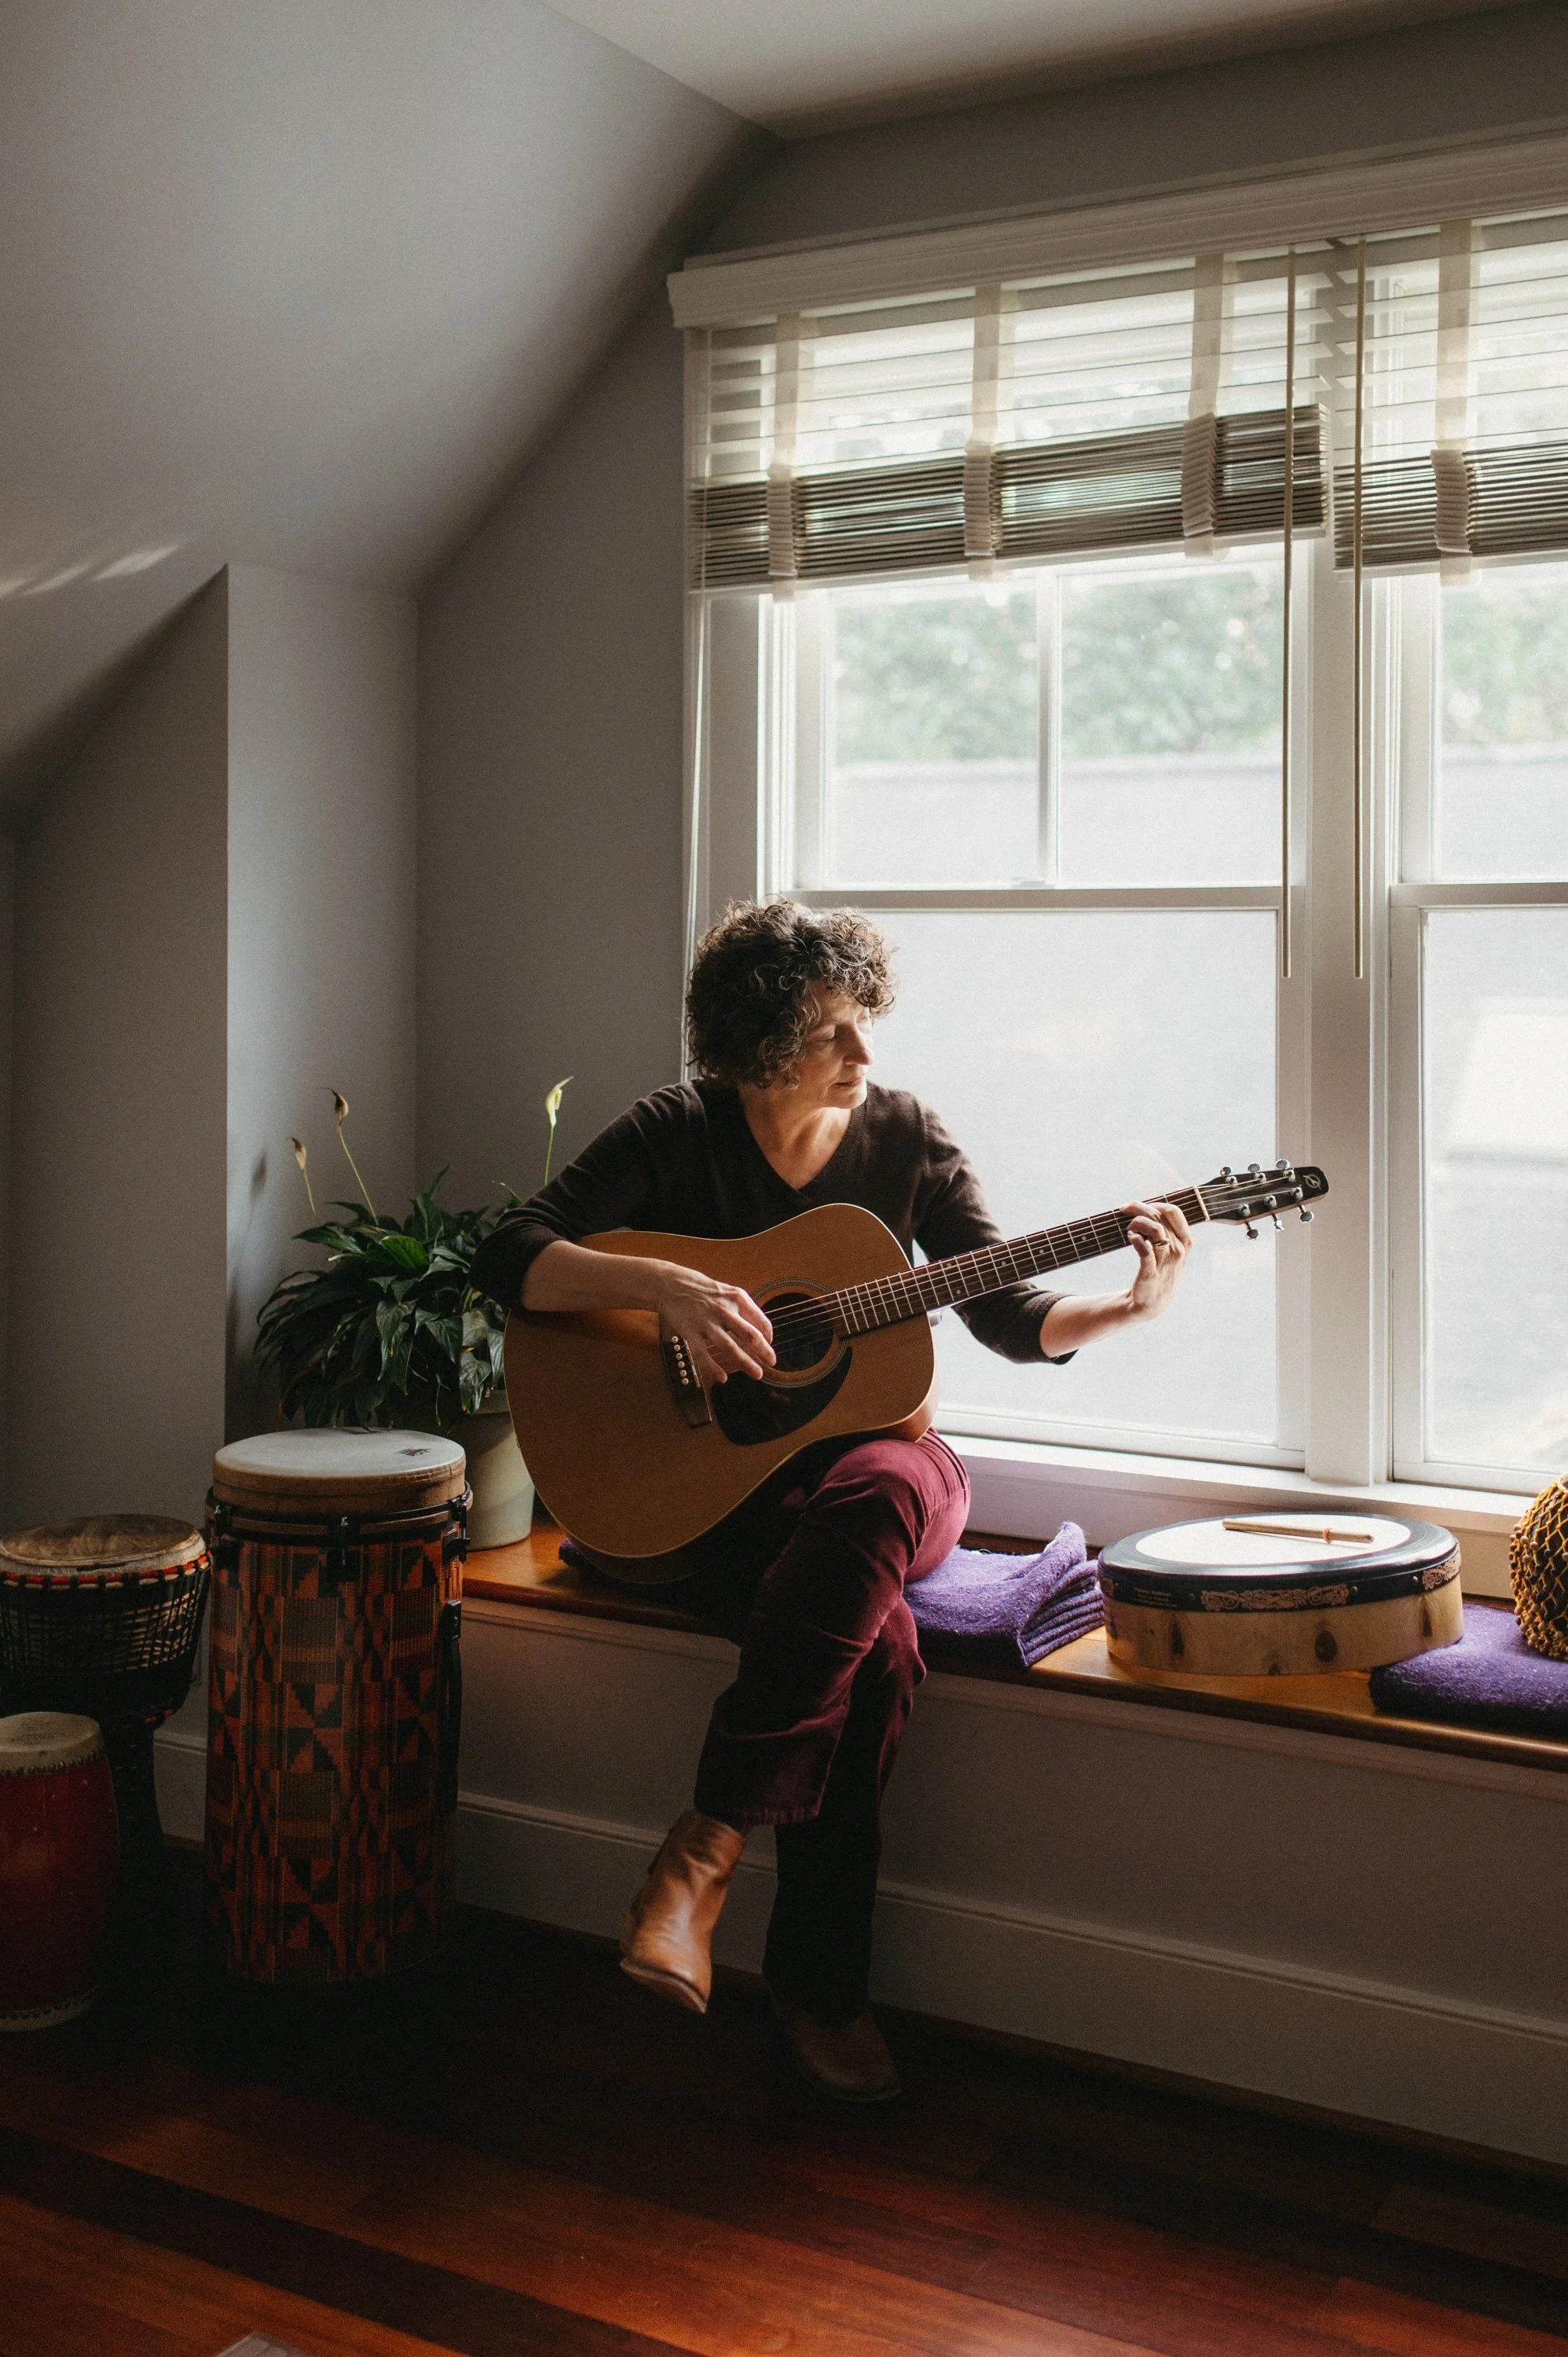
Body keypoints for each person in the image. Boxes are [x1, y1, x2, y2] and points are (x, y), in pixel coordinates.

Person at [471, 900, 1191, 2102]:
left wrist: (1121, 1309)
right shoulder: (679, 1130)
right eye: (834, 1034)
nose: (867, 1058)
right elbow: (511, 1250)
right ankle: (819, 1991)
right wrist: (667, 1287)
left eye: (867, 1026)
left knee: (874, 1490)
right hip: (703, 1502)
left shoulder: (904, 1138)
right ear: (759, 1048)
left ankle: (703, 1850)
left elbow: (1006, 1314)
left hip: (885, 1481)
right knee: (882, 1652)